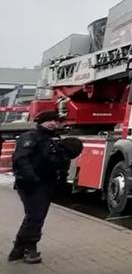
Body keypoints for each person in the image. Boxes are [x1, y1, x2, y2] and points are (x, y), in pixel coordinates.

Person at [7, 111, 75, 264]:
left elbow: (59, 159)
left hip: (47, 183)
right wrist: (31, 178)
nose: (53, 123)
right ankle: (28, 248)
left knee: (35, 216)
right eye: (49, 120)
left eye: (55, 120)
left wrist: (62, 176)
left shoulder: (54, 139)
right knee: (35, 216)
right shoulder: (30, 137)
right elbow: (21, 159)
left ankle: (18, 249)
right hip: (30, 184)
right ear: (41, 122)